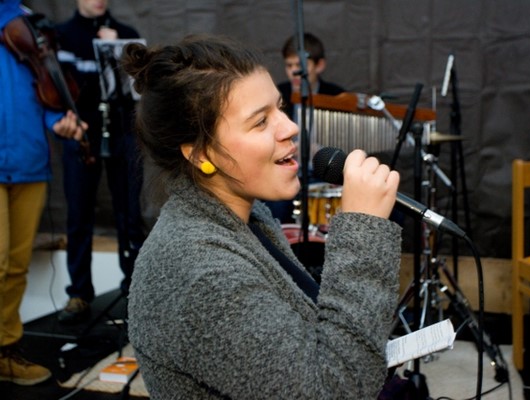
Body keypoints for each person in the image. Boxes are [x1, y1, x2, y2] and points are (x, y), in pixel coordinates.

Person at [122, 33, 403, 399]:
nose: (290, 128)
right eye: (260, 122)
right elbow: (333, 390)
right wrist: (362, 231)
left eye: (280, 109)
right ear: (200, 154)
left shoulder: (247, 219)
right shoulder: (198, 273)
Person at [0, 0, 87, 384]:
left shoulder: (28, 22)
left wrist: (60, 122)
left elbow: (45, 86)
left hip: (30, 161)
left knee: (16, 266)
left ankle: (5, 352)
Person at [55, 0, 146, 323]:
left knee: (129, 214)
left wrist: (118, 53)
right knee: (79, 213)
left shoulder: (126, 34)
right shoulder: (62, 36)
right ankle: (79, 293)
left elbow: (140, 89)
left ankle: (135, 288)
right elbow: (60, 88)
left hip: (122, 133)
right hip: (81, 134)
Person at [266, 32, 346, 223]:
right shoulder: (277, 94)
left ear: (319, 65)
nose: (294, 71)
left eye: (300, 65)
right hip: (286, 173)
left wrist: (318, 150)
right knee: (274, 209)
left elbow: (346, 146)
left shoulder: (337, 97)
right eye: (289, 65)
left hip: (324, 177)